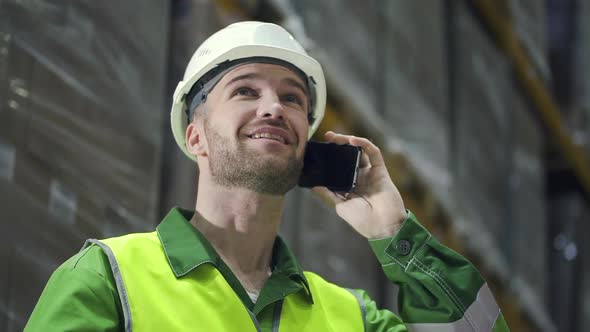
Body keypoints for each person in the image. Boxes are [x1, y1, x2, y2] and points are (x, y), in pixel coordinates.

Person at [26, 21, 509, 331]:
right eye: (245, 91)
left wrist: (395, 233)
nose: (274, 108)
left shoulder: (352, 319)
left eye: (293, 98)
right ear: (196, 137)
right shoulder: (108, 280)